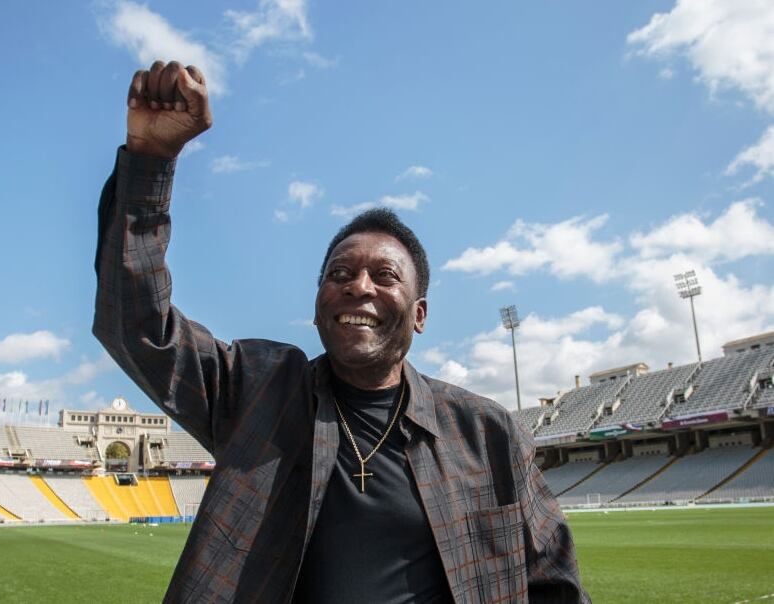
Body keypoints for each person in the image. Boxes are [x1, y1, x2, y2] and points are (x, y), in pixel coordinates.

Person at [93, 60, 589, 604]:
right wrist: (150, 162)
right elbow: (137, 325)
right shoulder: (257, 392)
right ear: (317, 306)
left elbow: (553, 587)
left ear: (419, 315)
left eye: (384, 276)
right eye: (339, 274)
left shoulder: (488, 434)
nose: (359, 287)